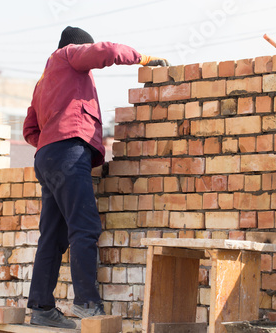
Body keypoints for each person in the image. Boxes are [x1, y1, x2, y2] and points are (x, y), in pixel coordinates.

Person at [23, 26, 168, 329]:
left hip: (47, 158)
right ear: (76, 48)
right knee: (84, 227)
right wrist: (144, 58)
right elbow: (106, 51)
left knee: (52, 236)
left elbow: (29, 129)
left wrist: (52, 146)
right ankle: (87, 303)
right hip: (68, 152)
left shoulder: (42, 82)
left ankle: (41, 308)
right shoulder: (68, 55)